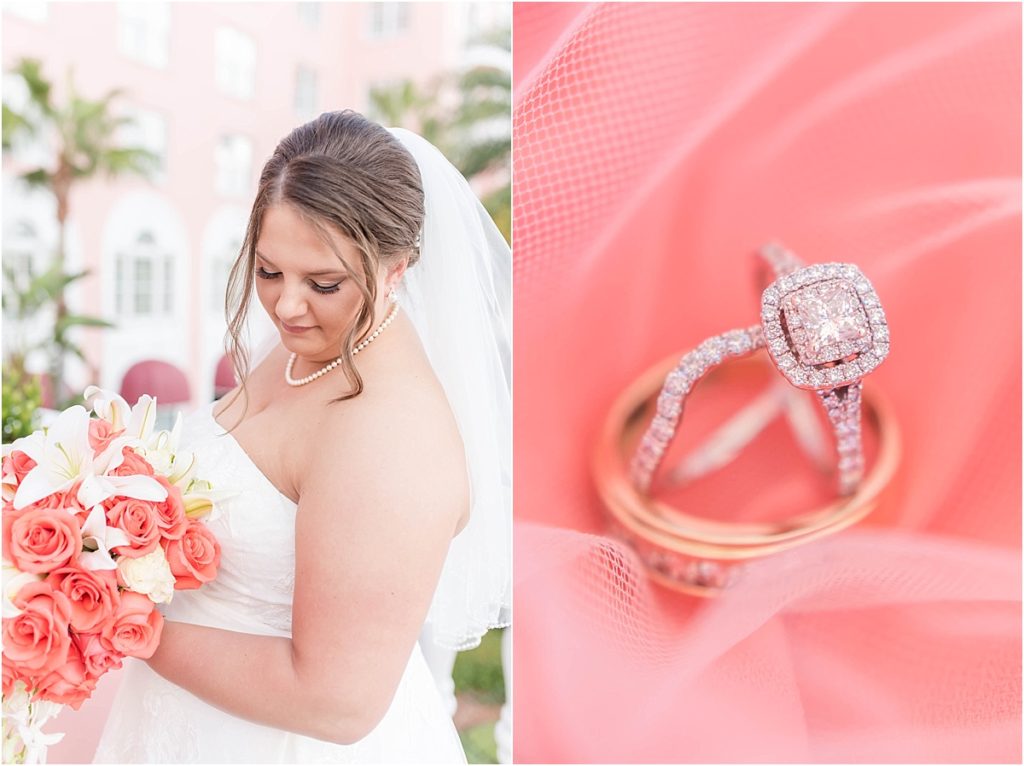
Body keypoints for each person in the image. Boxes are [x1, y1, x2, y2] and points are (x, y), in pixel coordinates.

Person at [93, 110, 511, 763]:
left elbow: (336, 701)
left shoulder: (392, 435)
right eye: (267, 271)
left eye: (323, 283)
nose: (287, 306)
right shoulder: (304, 347)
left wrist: (113, 619)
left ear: (397, 267)